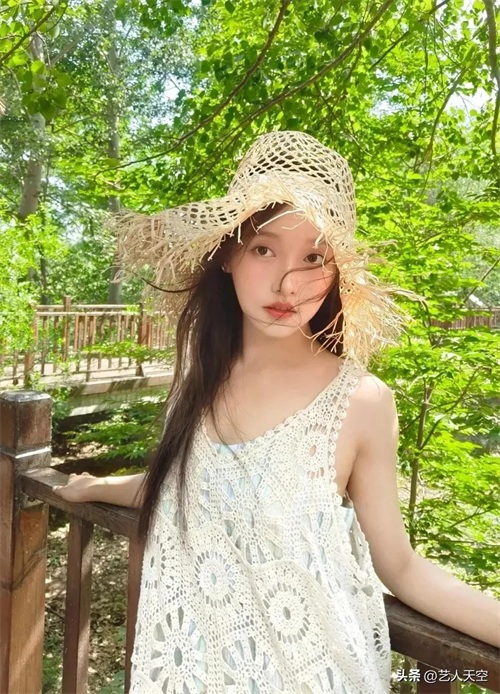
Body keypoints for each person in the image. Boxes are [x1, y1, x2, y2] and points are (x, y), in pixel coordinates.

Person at [54, 131, 499, 693]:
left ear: (335, 273)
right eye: (264, 249)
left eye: (314, 257)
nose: (289, 283)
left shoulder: (359, 402)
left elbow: (403, 568)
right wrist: (96, 485)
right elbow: (191, 485)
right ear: (228, 255)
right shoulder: (197, 379)